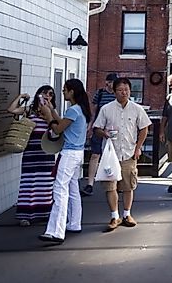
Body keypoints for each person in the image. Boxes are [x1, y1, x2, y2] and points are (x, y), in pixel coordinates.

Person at [93, 77, 151, 231]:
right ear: (114, 91)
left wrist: (138, 147)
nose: (123, 93)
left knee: (128, 185)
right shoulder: (106, 108)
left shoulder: (137, 109)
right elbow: (96, 128)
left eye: (126, 90)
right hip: (111, 154)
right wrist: (104, 133)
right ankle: (114, 216)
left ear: (130, 91)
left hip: (129, 152)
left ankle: (127, 214)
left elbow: (145, 128)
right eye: (120, 90)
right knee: (110, 186)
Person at [38, 78, 89, 244]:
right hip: (78, 153)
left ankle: (56, 231)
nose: (63, 92)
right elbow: (63, 123)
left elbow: (57, 129)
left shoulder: (73, 110)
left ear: (72, 91)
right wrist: (52, 111)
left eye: (65, 89)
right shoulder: (80, 109)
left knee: (59, 189)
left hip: (69, 154)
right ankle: (74, 223)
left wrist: (47, 115)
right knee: (73, 188)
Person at [6, 86, 57, 226]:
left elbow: (56, 128)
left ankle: (44, 213)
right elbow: (11, 110)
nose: (47, 96)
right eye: (44, 93)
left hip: (46, 153)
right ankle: (26, 215)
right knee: (29, 183)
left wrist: (50, 111)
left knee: (45, 184)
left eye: (50, 94)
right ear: (38, 95)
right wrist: (21, 96)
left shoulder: (51, 113)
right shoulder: (29, 110)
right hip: (31, 152)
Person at [82, 73, 118, 196]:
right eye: (109, 82)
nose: (110, 85)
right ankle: (90, 183)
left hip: (113, 127)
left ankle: (116, 182)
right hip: (99, 126)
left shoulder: (118, 94)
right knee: (95, 154)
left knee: (115, 154)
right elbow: (94, 110)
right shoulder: (101, 93)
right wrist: (91, 125)